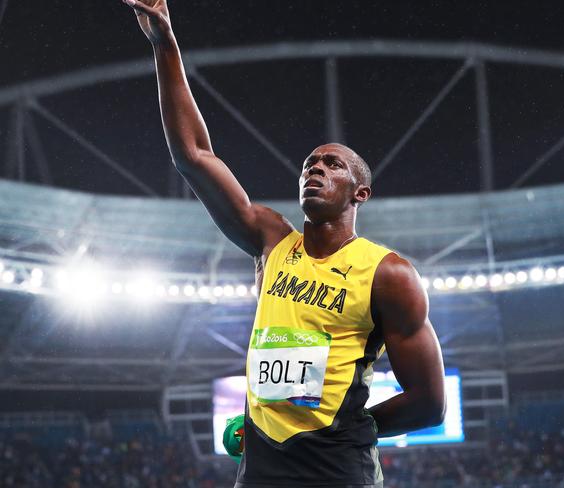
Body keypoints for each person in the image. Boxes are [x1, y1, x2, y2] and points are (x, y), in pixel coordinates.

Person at [121, 1, 447, 487]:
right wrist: (164, 45)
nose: (315, 167)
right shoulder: (270, 241)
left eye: (332, 164)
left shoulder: (388, 274)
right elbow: (194, 156)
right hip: (262, 463)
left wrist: (355, 429)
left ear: (361, 193)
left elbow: (429, 402)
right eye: (309, 163)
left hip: (338, 469)